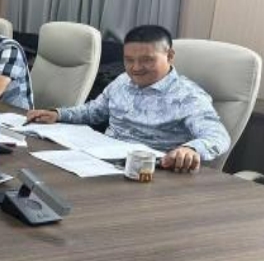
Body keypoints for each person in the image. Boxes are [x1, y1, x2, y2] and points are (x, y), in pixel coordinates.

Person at [26, 24, 230, 173]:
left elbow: (218, 137)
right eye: (129, 60)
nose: (136, 68)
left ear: (169, 56)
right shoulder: (123, 81)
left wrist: (190, 149)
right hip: (99, 160)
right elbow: (94, 111)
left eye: (147, 60)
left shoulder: (188, 96)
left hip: (148, 172)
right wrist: (58, 114)